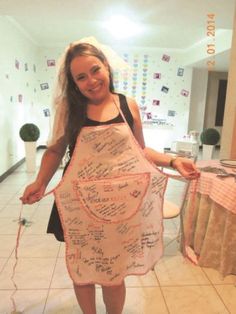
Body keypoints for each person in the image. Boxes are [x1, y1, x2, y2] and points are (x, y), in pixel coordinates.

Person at [20, 40, 199, 314]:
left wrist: (174, 160)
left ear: (106, 67)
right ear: (74, 83)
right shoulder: (69, 109)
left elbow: (141, 151)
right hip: (79, 203)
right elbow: (55, 149)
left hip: (120, 205)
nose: (91, 81)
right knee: (83, 270)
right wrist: (40, 182)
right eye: (81, 77)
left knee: (113, 272)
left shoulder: (128, 105)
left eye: (95, 70)